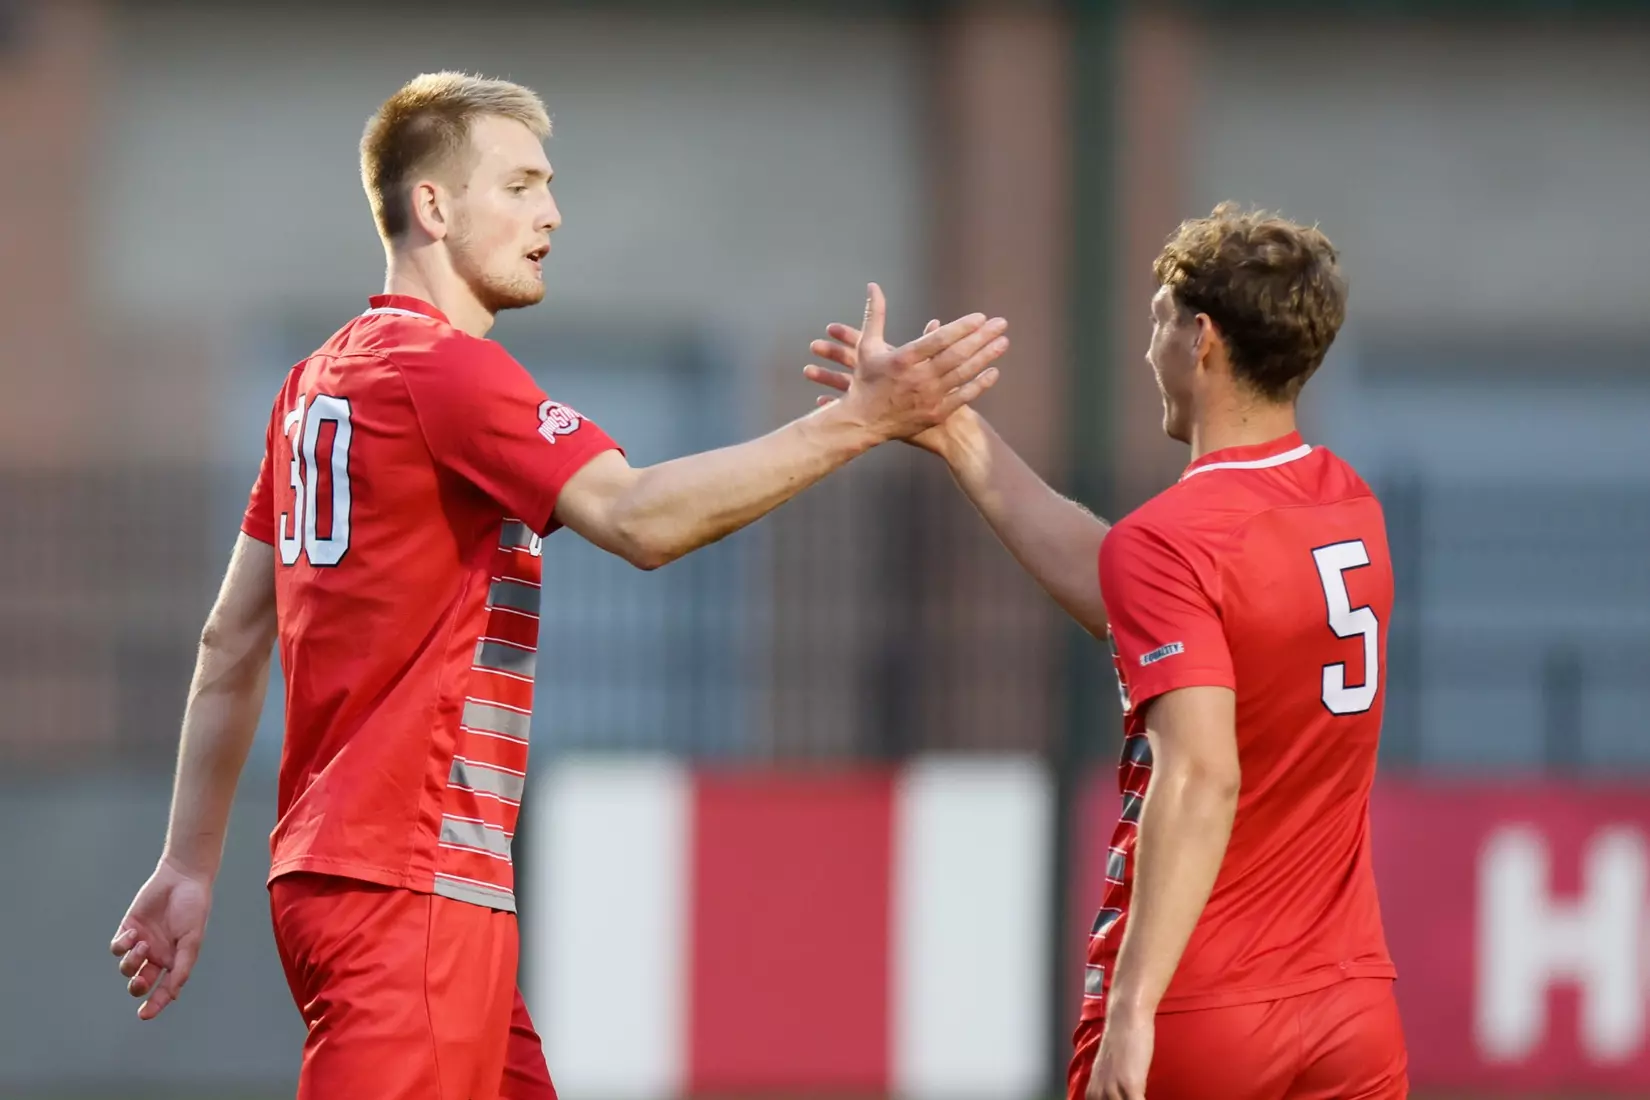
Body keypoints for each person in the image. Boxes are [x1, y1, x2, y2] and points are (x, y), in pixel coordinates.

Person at [108, 71, 1009, 1100]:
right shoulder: (445, 371)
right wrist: (858, 422)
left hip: (352, 876)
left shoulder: (312, 384)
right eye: (521, 184)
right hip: (412, 881)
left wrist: (188, 863)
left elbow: (230, 639)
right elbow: (640, 517)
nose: (552, 213)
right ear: (433, 205)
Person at [806, 202, 1407, 1099]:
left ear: (1202, 339)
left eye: (1159, 320)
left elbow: (1200, 775)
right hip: (1351, 1005)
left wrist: (1132, 1007)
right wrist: (949, 425)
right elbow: (1128, 592)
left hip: (1205, 1009)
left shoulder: (1173, 540)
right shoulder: (1346, 503)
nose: (1148, 348)